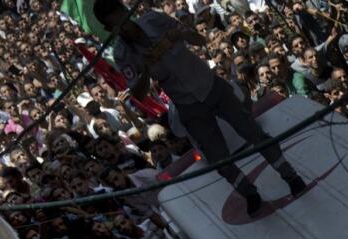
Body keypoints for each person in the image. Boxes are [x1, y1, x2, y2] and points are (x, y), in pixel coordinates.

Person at [94, 0, 305, 215]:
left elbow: (199, 39)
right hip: (188, 105)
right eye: (116, 24)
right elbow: (137, 93)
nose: (124, 25)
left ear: (126, 11)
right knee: (219, 159)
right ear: (109, 29)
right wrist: (147, 69)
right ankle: (249, 193)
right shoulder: (121, 53)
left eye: (123, 16)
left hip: (210, 85)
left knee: (252, 131)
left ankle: (290, 175)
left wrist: (179, 35)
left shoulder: (154, 19)